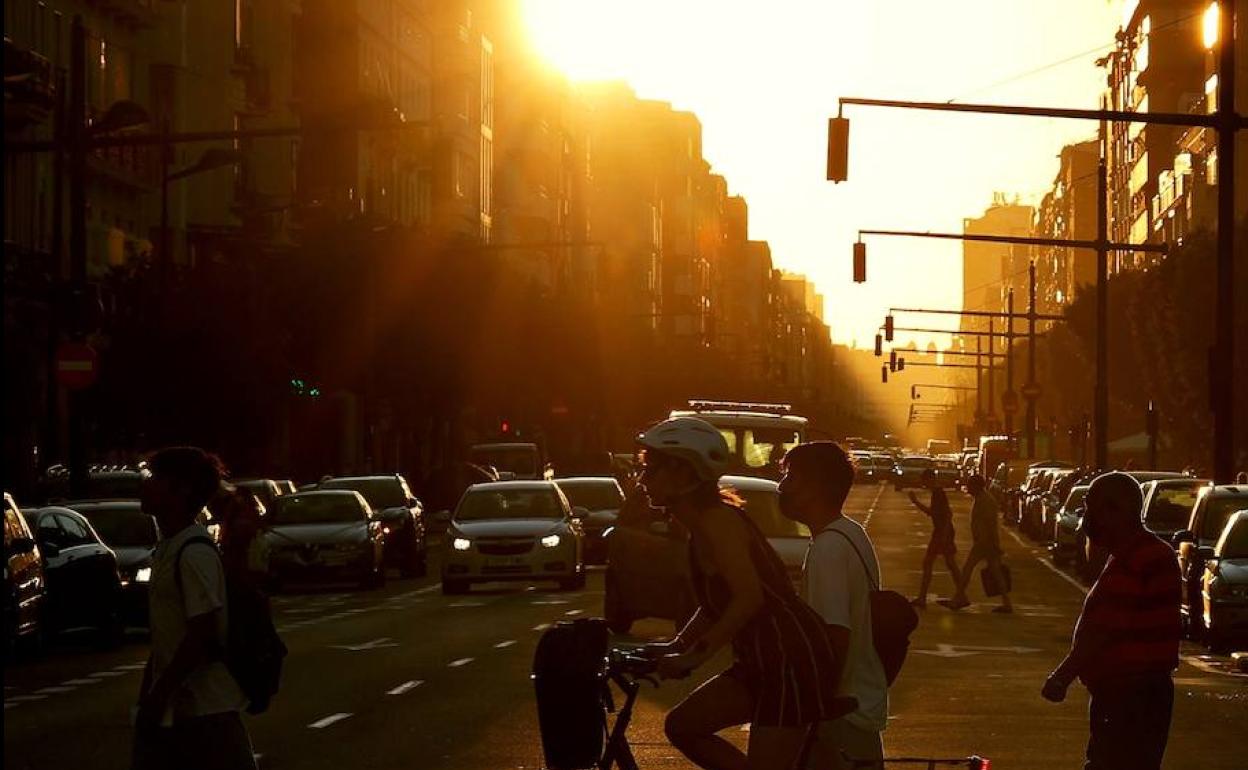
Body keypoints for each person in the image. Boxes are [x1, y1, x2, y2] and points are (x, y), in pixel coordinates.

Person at [636, 418, 853, 770]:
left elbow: (748, 598)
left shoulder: (717, 522)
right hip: (760, 660)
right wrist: (675, 646)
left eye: (651, 470)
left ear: (683, 473)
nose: (642, 480)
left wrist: (694, 659)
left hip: (789, 659)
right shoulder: (697, 527)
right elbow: (713, 606)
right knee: (683, 726)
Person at [1042, 472, 1181, 770]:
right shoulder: (1141, 554)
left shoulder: (1136, 560)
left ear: (1117, 510)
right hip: (1140, 692)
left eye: (1093, 509)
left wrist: (1061, 676)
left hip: (1128, 695)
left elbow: (1103, 629)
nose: (1088, 518)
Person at [132, 447, 256, 770]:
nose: (145, 485)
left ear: (181, 489)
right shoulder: (168, 549)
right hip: (176, 713)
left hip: (206, 711)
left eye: (155, 478)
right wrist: (149, 694)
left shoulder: (194, 552)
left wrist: (159, 695)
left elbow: (202, 635)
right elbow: (167, 637)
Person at [779, 442, 888, 770]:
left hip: (841, 716)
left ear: (817, 487)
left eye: (791, 478)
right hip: (860, 703)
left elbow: (835, 635)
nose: (782, 487)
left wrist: (818, 710)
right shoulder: (851, 533)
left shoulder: (828, 549)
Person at [943, 475, 1013, 613]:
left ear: (976, 486)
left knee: (968, 569)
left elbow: (990, 524)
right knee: (995, 572)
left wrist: (993, 543)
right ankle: (1006, 602)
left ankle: (958, 598)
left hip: (984, 542)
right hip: (984, 541)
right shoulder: (982, 499)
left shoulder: (985, 501)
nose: (967, 488)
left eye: (970, 485)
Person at [907, 468, 962, 609]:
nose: (923, 483)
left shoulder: (938, 493)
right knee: (947, 564)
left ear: (930, 479)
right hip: (943, 532)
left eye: (925, 480)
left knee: (932, 563)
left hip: (942, 533)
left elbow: (938, 514)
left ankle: (923, 598)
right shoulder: (937, 493)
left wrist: (915, 502)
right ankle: (960, 595)